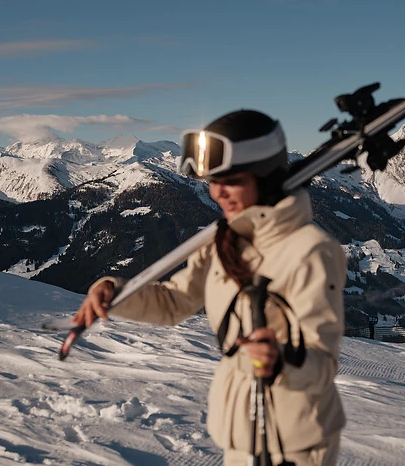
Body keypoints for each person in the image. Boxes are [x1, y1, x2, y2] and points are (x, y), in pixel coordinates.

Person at [73, 109, 347, 466]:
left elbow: (323, 362)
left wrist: (281, 360)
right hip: (239, 433)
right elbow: (174, 302)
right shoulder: (223, 241)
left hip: (293, 444)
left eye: (230, 181)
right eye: (212, 180)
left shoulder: (309, 250)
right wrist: (115, 293)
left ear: (264, 177)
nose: (216, 193)